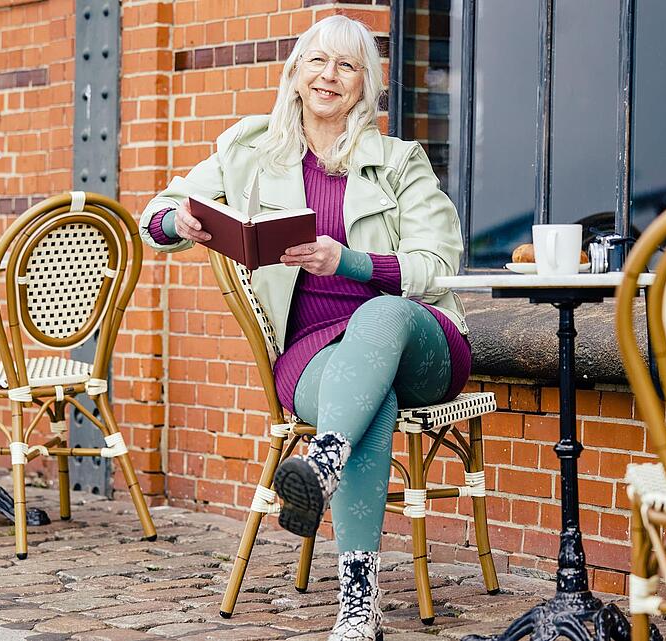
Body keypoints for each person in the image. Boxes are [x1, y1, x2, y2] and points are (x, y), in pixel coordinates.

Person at [138, 15, 469, 641]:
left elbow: (437, 264)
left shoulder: (400, 161)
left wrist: (345, 261)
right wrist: (176, 225)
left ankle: (324, 462)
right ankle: (356, 604)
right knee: (368, 404)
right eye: (317, 61)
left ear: (366, 85)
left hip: (417, 339)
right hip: (313, 354)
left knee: (381, 313)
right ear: (294, 75)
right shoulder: (250, 151)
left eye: (347, 66)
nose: (329, 76)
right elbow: (153, 214)